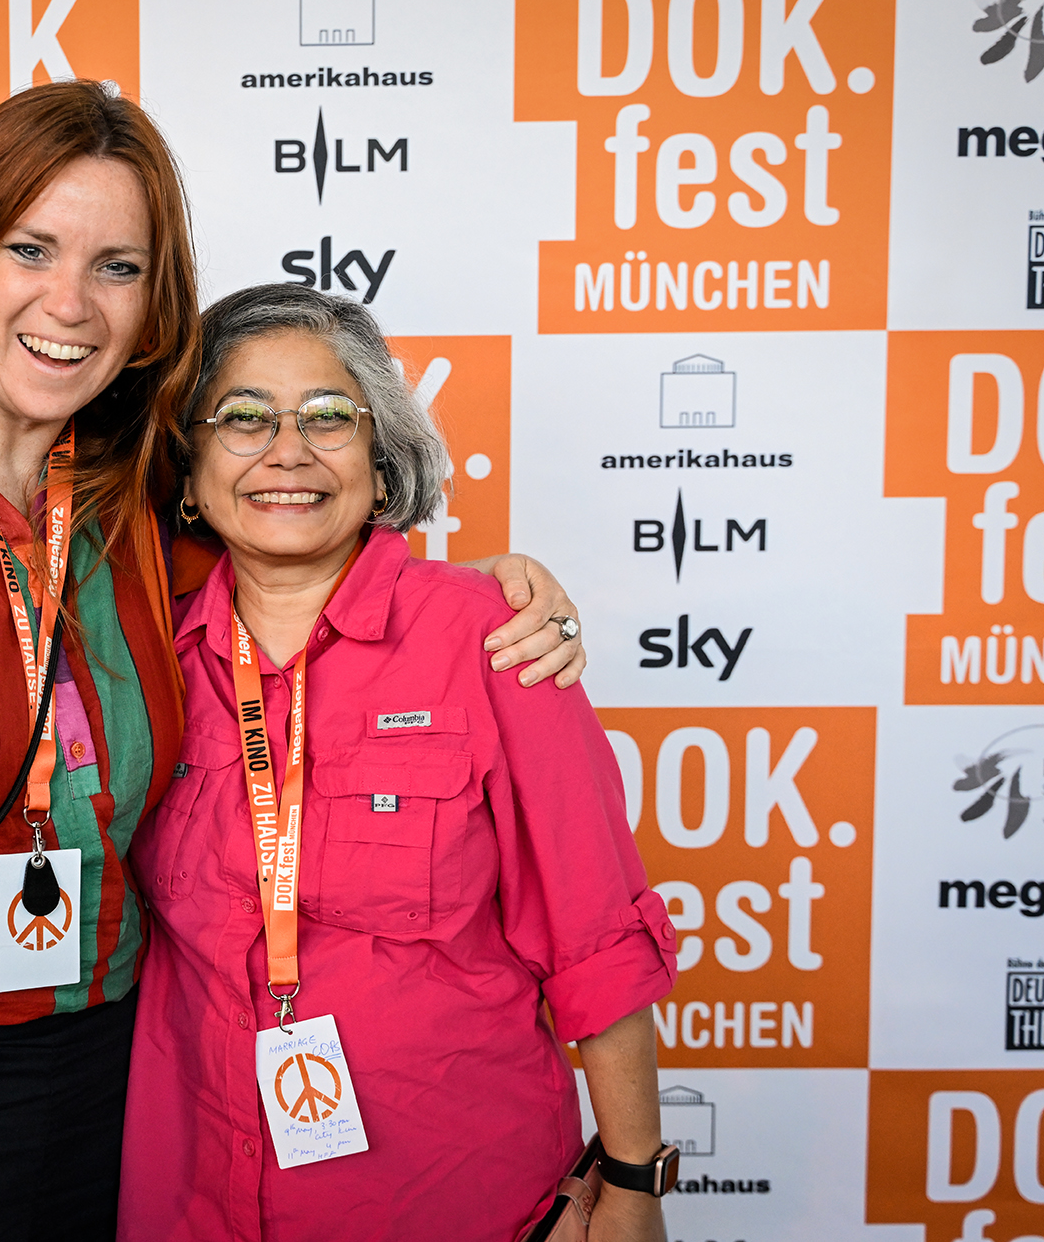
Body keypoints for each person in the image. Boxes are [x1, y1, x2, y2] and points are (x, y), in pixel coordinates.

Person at [0, 82, 585, 1242]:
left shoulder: (130, 497)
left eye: (117, 267)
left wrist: (481, 591)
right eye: (30, 248)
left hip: (117, 1088)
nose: (70, 303)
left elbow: (297, 559)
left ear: (154, 305)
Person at [119, 284, 678, 1242]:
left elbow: (594, 937)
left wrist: (632, 1183)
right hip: (193, 1199)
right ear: (190, 474)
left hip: (452, 1199)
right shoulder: (139, 657)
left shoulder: (494, 637)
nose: (287, 450)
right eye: (243, 417)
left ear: (381, 468)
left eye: (329, 416)